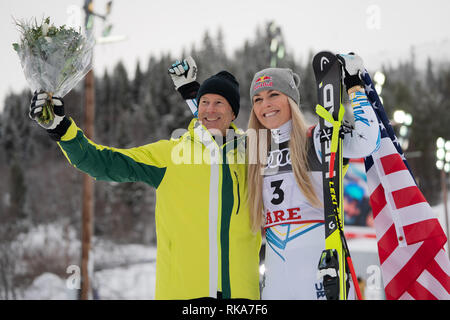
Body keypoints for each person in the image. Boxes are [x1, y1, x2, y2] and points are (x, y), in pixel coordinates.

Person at [28, 57, 261, 300]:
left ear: (234, 112)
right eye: (204, 102)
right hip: (184, 293)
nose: (210, 109)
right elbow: (102, 164)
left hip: (244, 296)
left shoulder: (252, 158)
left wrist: (191, 90)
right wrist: (61, 129)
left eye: (219, 103)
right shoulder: (171, 155)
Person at [246, 53, 380, 299]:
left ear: (291, 100)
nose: (265, 104)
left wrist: (354, 86)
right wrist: (194, 97)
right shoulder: (254, 150)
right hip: (276, 277)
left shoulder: (317, 138)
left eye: (274, 94)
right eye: (258, 99)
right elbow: (213, 135)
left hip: (319, 270)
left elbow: (367, 141)